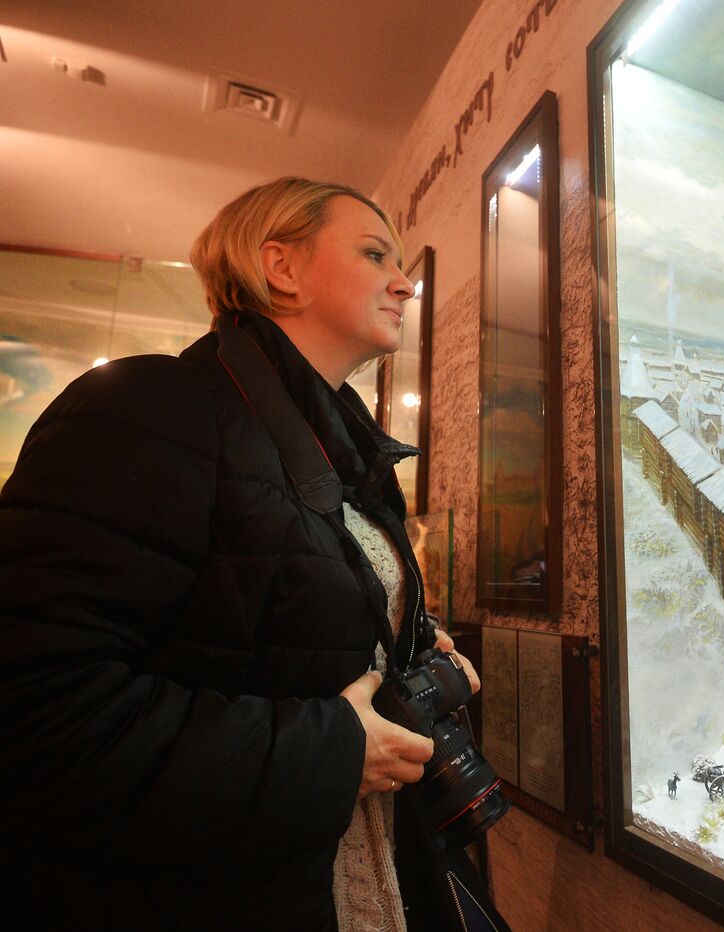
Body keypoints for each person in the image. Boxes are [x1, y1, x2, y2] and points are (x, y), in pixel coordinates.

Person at [0, 178, 506, 930]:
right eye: (376, 255)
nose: (405, 283)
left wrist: (404, 644)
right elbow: (36, 711)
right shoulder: (146, 407)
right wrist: (332, 754)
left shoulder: (343, 456)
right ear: (282, 267)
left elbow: (266, 628)